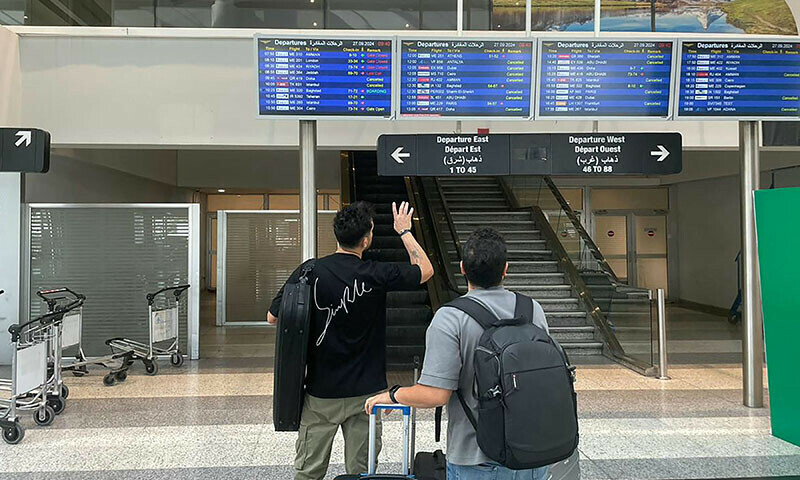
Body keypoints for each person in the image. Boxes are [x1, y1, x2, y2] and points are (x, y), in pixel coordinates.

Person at [365, 227, 551, 480]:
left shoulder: (450, 318)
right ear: (506, 269)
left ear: (462, 268)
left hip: (475, 460)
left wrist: (393, 394)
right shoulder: (532, 310)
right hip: (532, 455)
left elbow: (435, 394)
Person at [268, 200, 433, 480]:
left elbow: (273, 317)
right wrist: (404, 231)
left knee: (308, 471)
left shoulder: (309, 272)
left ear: (337, 235)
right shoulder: (377, 273)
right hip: (367, 394)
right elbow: (425, 270)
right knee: (362, 472)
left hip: (321, 393)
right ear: (367, 240)